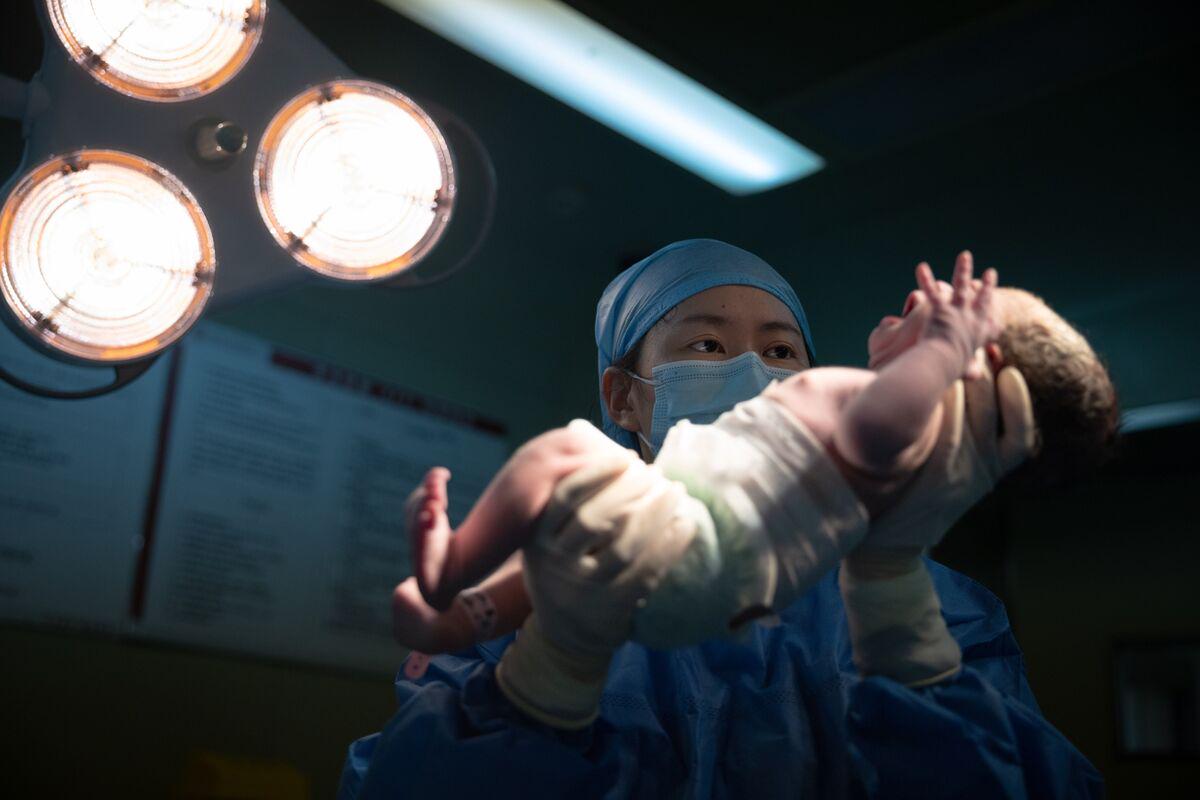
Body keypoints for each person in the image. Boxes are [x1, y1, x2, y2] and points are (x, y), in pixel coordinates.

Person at [339, 239, 1105, 798]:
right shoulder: (578, 541)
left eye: (782, 351)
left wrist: (894, 596)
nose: (753, 372)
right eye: (706, 343)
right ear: (623, 397)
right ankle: (458, 590)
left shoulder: (950, 612)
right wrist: (542, 679)